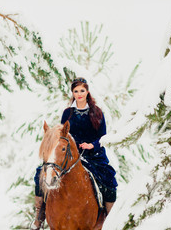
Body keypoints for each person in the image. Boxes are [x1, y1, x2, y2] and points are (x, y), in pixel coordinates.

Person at [31, 77, 118, 230]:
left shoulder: (97, 113)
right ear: (72, 93)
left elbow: (103, 136)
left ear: (87, 92)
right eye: (76, 91)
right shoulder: (68, 113)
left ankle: (111, 219)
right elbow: (63, 134)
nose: (79, 94)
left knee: (108, 179)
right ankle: (39, 215)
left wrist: (92, 145)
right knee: (41, 173)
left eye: (82, 91)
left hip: (93, 154)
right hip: (70, 154)